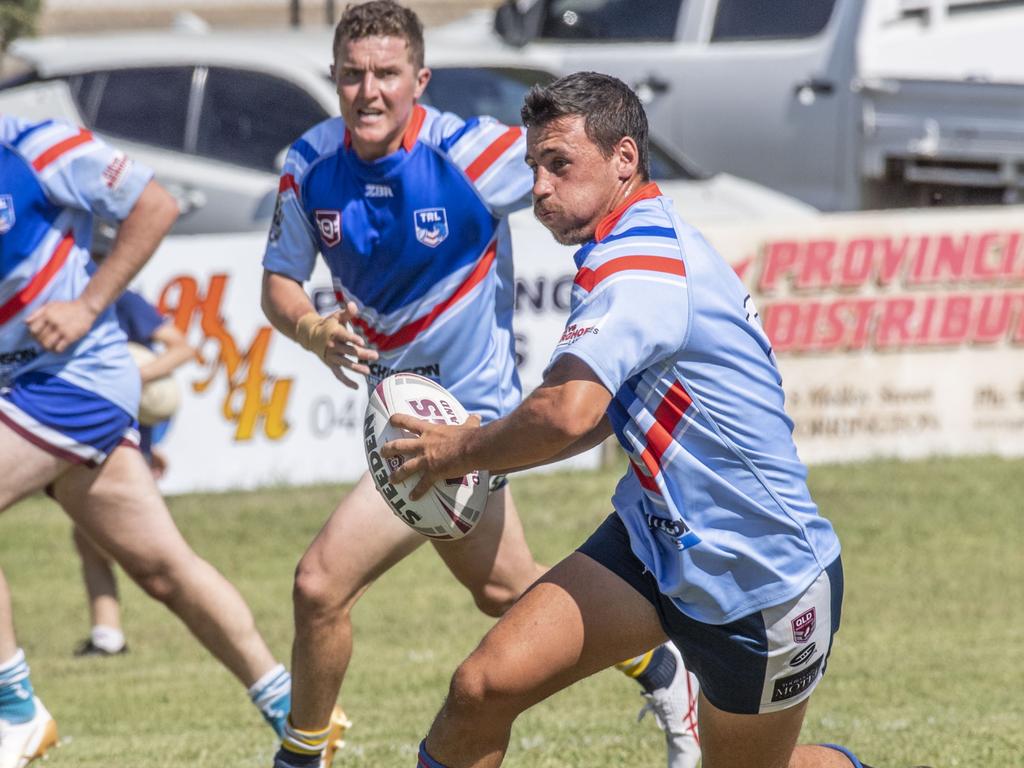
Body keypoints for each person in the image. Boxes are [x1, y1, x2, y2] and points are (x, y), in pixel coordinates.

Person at [381, 71, 873, 768]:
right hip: (651, 543)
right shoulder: (628, 245)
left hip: (759, 583)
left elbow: (565, 412)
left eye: (559, 165)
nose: (540, 188)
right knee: (482, 687)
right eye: (533, 168)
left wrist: (457, 450)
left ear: (623, 160)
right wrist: (480, 450)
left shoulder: (642, 262)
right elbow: (591, 418)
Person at [260, 4, 699, 767]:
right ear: (333, 78)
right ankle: (664, 670)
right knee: (506, 595)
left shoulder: (466, 152)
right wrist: (311, 327)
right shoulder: (308, 166)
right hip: (402, 421)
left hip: (471, 423)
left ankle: (301, 756)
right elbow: (279, 283)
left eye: (387, 74)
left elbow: (583, 177)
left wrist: (634, 273)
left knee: (319, 583)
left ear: (419, 81)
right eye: (353, 74)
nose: (369, 92)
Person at [0, 115, 292, 768]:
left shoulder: (33, 144)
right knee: (166, 572)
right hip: (22, 393)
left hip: (77, 380)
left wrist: (85, 306)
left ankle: (14, 710)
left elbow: (153, 203)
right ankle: (299, 717)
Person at [71, 289, 197, 657]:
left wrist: (132, 377)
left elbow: (182, 348)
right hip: (100, 441)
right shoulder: (69, 298)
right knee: (87, 539)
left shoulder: (122, 300)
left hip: (118, 445)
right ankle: (107, 636)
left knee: (154, 558)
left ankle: (206, 618)